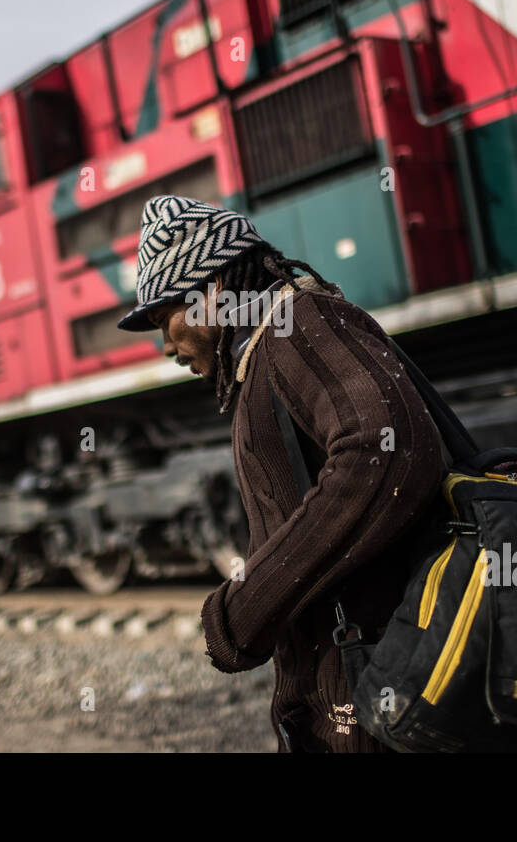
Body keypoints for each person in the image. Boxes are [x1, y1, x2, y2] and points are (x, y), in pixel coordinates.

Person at [118, 195, 447, 753]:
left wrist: (243, 609)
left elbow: (384, 451)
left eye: (165, 320)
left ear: (213, 292)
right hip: (350, 702)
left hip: (384, 701)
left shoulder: (301, 324)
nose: (167, 346)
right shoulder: (265, 355)